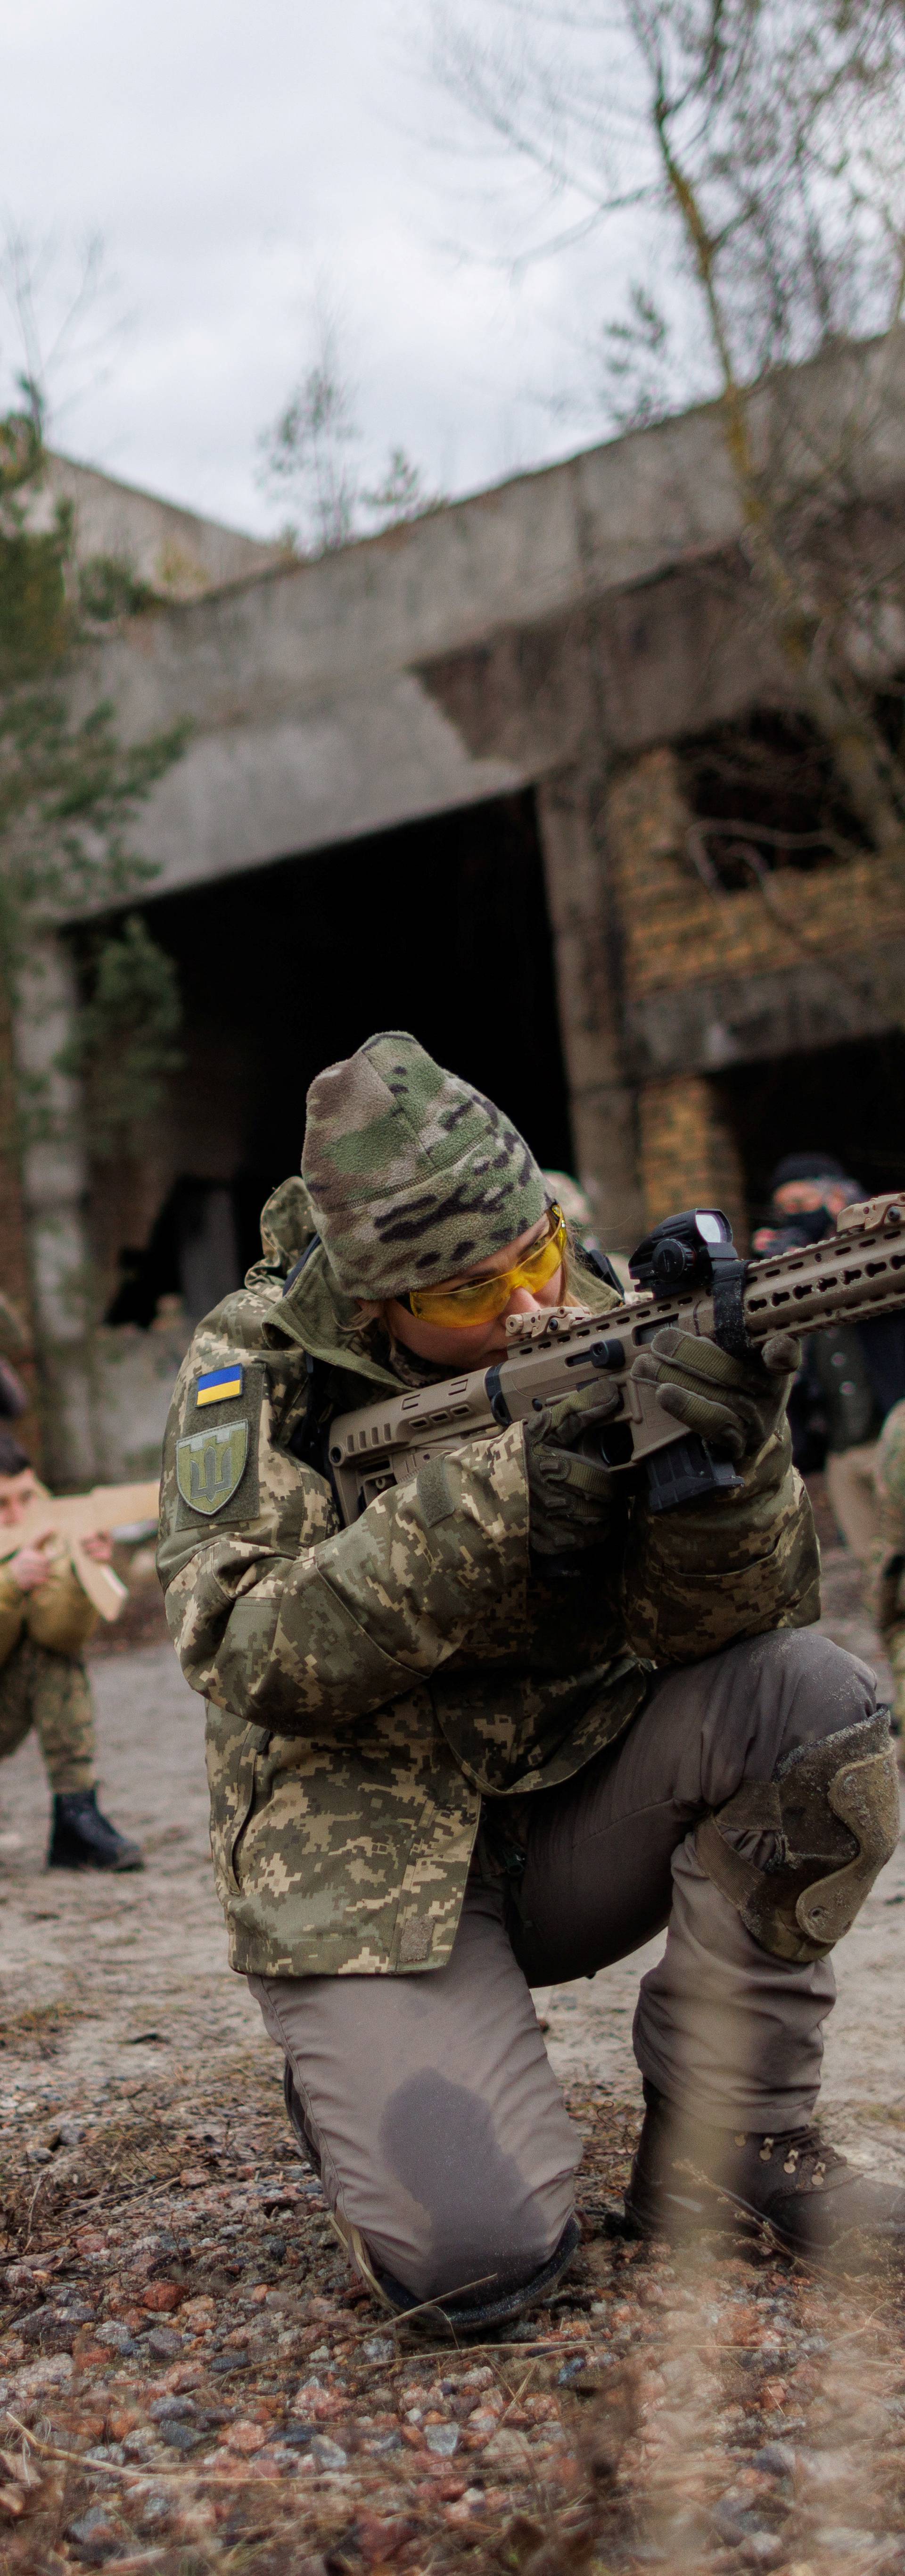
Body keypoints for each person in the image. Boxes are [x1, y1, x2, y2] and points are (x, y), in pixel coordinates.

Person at [157, 1034, 905, 2330]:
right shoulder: (256, 1364)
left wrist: (732, 1457)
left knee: (814, 1703)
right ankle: (360, 2072)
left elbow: (734, 1628)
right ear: (373, 1300)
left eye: (539, 1258)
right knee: (481, 2267)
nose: (522, 1312)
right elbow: (245, 1649)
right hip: (368, 1880)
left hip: (574, 1824)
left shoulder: (612, 1305)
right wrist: (496, 1503)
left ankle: (732, 2141)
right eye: (460, 1300)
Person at [0, 1430, 143, 1870]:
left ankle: (76, 1816)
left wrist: (88, 1570)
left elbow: (59, 1633)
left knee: (51, 1657)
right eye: (1, 1506)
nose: (17, 1514)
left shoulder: (47, 1522)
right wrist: (7, 1586)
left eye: (25, 1498)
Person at [754, 1152, 905, 1565]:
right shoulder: (792, 1270)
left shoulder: (875, 1248)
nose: (793, 1219)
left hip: (895, 1432)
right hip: (841, 1451)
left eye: (801, 1206)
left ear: (837, 1198)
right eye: (784, 1211)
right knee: (878, 1573)